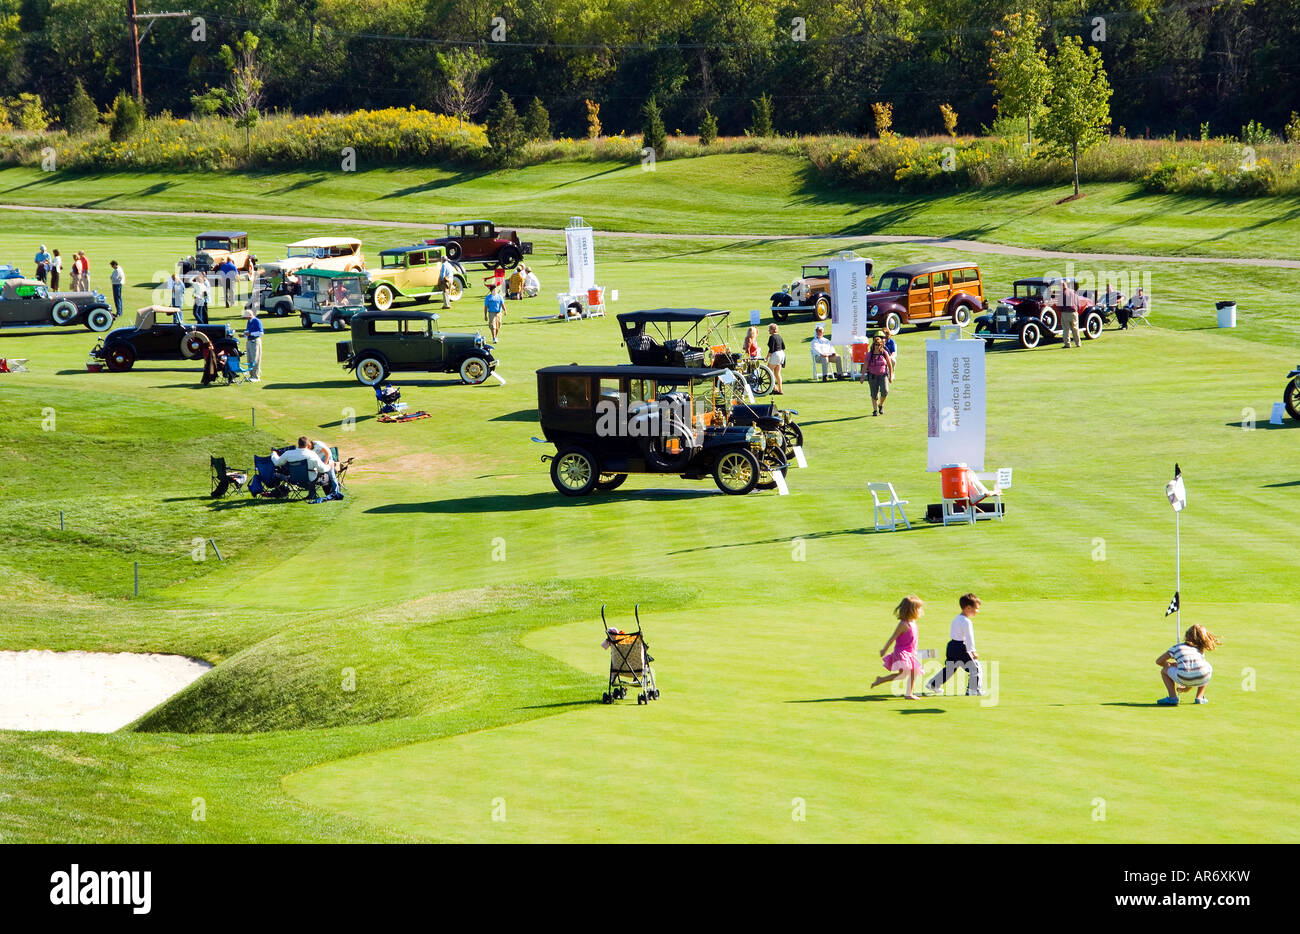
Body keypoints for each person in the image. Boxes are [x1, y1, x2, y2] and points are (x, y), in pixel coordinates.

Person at [924, 593, 984, 696]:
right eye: (976, 609)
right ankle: (973, 690)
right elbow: (969, 637)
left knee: (950, 668)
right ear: (968, 608)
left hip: (952, 646)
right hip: (962, 648)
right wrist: (972, 650)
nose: (977, 611)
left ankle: (933, 684)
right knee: (975, 668)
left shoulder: (957, 618)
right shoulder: (966, 621)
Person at [871, 595, 925, 699]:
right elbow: (893, 638)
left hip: (910, 653)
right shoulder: (904, 624)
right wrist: (884, 649)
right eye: (918, 609)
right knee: (910, 672)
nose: (920, 611)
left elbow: (913, 640)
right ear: (911, 610)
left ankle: (881, 680)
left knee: (906, 674)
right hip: (902, 653)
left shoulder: (913, 623)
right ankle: (908, 694)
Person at [1156, 625, 1222, 705]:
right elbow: (1195, 671)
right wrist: (1187, 687)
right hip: (1203, 678)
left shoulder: (1177, 647)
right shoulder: (1200, 650)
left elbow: (1159, 661)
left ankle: (1172, 698)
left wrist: (1170, 664)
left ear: (1187, 635)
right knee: (1206, 668)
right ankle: (1199, 697)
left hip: (1183, 678)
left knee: (1164, 671)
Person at [865, 334, 894, 415]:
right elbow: (865, 365)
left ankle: (881, 405)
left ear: (881, 345)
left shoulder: (884, 353)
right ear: (873, 345)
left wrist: (891, 376)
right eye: (876, 345)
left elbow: (889, 365)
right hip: (872, 376)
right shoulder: (870, 354)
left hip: (883, 375)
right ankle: (875, 410)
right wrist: (862, 376)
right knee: (874, 393)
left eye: (879, 345)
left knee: (885, 391)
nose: (877, 346)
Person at [241, 308, 263, 381]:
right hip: (249, 341)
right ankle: (251, 376)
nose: (246, 318)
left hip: (255, 341)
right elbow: (248, 331)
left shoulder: (256, 321)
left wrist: (250, 333)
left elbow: (260, 333)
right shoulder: (249, 321)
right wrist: (244, 335)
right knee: (249, 358)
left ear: (250, 316)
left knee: (255, 359)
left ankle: (256, 376)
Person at [1059, 284, 1082, 349]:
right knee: (1075, 328)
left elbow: (1060, 305)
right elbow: (1078, 303)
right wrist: (1077, 310)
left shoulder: (1062, 293)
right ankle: (1078, 343)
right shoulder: (1073, 292)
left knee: (1066, 329)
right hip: (1074, 312)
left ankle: (1067, 344)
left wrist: (1060, 310)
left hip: (1065, 313)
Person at [766, 323, 786, 394]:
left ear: (773, 330)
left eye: (770, 329)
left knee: (768, 372)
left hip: (776, 354)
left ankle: (774, 388)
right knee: (777, 373)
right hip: (782, 354)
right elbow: (783, 347)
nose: (769, 330)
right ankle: (780, 390)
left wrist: (766, 357)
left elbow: (771, 349)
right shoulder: (779, 336)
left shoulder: (772, 337)